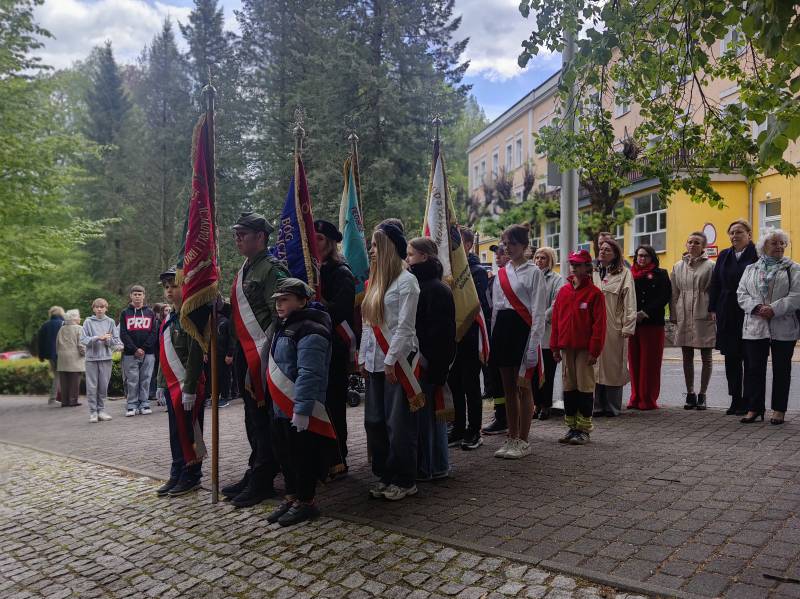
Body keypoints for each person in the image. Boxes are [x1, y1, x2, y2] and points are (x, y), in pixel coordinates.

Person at [223, 212, 289, 508]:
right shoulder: (246, 269)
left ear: (260, 237)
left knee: (263, 417)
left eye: (243, 234)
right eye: (236, 234)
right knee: (251, 415)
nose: (237, 239)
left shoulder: (272, 268)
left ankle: (263, 478)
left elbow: (279, 315)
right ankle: (255, 469)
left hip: (263, 353)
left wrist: (265, 356)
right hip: (244, 351)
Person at [265, 278, 338, 526]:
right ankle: (292, 496)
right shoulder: (284, 325)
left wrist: (302, 409)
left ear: (302, 301)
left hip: (299, 405)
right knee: (285, 455)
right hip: (281, 405)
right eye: (277, 300)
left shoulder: (311, 329)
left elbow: (310, 373)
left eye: (285, 299)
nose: (279, 304)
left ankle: (306, 502)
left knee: (302, 457)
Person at [360, 222, 421, 500]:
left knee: (398, 425)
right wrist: (363, 356)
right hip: (374, 362)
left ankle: (405, 479)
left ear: (390, 247)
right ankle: (384, 474)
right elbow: (368, 324)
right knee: (374, 422)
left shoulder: (407, 282)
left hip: (396, 363)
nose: (371, 251)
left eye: (376, 245)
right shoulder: (375, 282)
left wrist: (390, 360)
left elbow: (405, 327)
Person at [490, 224, 546, 459]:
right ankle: (511, 436)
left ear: (524, 245)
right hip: (503, 329)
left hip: (522, 328)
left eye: (512, 243)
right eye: (505, 244)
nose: (508, 248)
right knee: (508, 388)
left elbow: (538, 311)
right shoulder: (501, 272)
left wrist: (533, 344)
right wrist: (492, 337)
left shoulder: (534, 273)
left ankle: (523, 439)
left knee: (523, 386)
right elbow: (495, 308)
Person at [737, 229, 800, 425]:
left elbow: (797, 295)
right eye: (774, 243)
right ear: (763, 246)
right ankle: (754, 408)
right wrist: (757, 307)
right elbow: (741, 293)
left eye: (782, 243)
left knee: (782, 369)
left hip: (784, 325)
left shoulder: (793, 268)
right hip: (755, 326)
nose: (779, 246)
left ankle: (779, 410)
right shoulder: (751, 269)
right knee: (754, 369)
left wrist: (774, 309)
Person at [407, 237, 456, 480]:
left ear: (424, 256)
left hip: (428, 361)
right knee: (425, 416)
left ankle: (432, 465)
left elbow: (441, 333)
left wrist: (436, 367)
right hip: (421, 359)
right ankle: (431, 463)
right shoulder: (420, 285)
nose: (407, 259)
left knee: (429, 416)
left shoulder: (436, 289)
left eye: (411, 254)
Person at [155, 267, 206, 497]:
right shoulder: (169, 318)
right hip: (171, 385)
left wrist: (191, 387)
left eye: (174, 286)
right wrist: (160, 383)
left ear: (185, 287)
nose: (169, 291)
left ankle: (192, 473)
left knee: (192, 430)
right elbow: (163, 354)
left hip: (188, 384)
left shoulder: (190, 316)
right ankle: (177, 470)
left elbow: (195, 353)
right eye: (166, 287)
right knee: (176, 432)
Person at [550, 250, 607, 444]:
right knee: (569, 387)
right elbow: (556, 320)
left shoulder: (595, 294)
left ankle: (583, 429)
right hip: (567, 348)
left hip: (584, 350)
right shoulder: (564, 292)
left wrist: (594, 350)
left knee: (585, 388)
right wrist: (555, 347)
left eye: (578, 264)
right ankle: (572, 427)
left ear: (587, 267)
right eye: (572, 264)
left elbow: (599, 325)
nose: (573, 267)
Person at [315, 219, 356, 475]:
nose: (315, 242)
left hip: (335, 345)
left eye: (319, 238)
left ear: (330, 243)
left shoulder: (341, 273)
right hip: (314, 346)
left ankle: (338, 457)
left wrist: (315, 300)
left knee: (334, 403)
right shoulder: (311, 269)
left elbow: (340, 311)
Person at [709, 219, 758, 415]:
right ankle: (735, 398)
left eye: (739, 232)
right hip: (727, 310)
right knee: (731, 358)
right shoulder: (724, 255)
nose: (735, 236)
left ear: (749, 234)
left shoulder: (757, 254)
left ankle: (749, 400)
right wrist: (713, 308)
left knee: (749, 358)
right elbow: (715, 282)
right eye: (732, 233)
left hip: (749, 311)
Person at [448, 227, 489, 450]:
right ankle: (458, 427)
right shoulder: (447, 270)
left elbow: (477, 306)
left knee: (470, 384)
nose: (452, 247)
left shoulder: (476, 271)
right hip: (452, 336)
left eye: (457, 242)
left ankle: (474, 430)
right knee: (454, 382)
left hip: (470, 335)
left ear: (468, 245)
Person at [670, 232, 716, 410]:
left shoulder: (711, 266)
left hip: (703, 311)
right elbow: (674, 293)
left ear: (703, 246)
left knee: (706, 356)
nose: (692, 245)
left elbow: (715, 291)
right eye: (689, 242)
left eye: (697, 242)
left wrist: (714, 311)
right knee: (686, 355)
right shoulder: (677, 266)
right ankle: (690, 393)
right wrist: (674, 314)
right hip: (684, 312)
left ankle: (703, 394)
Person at [593, 239, 636, 416]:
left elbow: (630, 301)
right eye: (601, 249)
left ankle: (612, 406)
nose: (602, 252)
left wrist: (628, 326)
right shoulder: (593, 272)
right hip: (594, 326)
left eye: (607, 250)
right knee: (594, 364)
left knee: (613, 366)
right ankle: (596, 406)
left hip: (614, 326)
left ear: (616, 254)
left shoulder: (624, 273)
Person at [628, 245, 672, 410]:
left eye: (645, 256)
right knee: (634, 362)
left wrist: (645, 312)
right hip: (633, 323)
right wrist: (632, 314)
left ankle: (647, 399)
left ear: (652, 257)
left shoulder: (661, 274)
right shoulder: (629, 274)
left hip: (652, 323)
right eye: (639, 255)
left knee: (650, 363)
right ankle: (635, 397)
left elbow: (664, 296)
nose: (642, 258)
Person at [532, 246, 565, 420]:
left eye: (543, 258)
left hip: (547, 332)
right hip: (531, 332)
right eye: (537, 257)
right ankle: (536, 404)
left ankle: (546, 405)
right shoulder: (531, 277)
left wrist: (541, 318)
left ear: (550, 260)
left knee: (548, 372)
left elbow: (556, 303)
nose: (539, 261)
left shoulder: (556, 279)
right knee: (533, 372)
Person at [119, 285, 158, 417]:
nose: (137, 296)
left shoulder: (150, 313)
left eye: (139, 294)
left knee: (146, 379)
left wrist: (143, 348)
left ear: (143, 296)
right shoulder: (125, 313)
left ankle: (144, 404)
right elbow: (123, 333)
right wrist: (135, 349)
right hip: (130, 353)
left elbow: (154, 332)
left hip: (148, 353)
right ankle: (131, 405)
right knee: (132, 380)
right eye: (135, 294)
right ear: (131, 296)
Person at [481, 243, 508, 435]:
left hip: (508, 334)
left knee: (510, 380)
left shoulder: (516, 278)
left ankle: (509, 417)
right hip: (493, 332)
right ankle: (501, 415)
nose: (497, 256)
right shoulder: (493, 278)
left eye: (501, 253)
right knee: (496, 378)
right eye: (496, 254)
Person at [81, 298, 121, 422]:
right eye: (97, 307)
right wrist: (98, 338)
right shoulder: (88, 322)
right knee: (92, 386)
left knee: (103, 386)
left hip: (106, 358)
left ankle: (101, 411)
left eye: (102, 307)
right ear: (93, 308)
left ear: (106, 309)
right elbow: (83, 339)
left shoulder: (110, 322)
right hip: (91, 359)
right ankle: (93, 412)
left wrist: (107, 340)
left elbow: (115, 341)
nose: (99, 309)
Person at [56, 310, 85, 408]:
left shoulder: (61, 329)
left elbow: (57, 343)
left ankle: (64, 401)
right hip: (74, 358)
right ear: (75, 319)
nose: (80, 319)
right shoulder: (79, 328)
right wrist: (85, 354)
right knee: (74, 380)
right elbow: (81, 345)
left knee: (64, 381)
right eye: (79, 317)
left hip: (62, 357)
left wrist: (59, 354)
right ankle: (73, 400)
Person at [38, 306, 65, 405]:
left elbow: (40, 342)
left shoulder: (45, 325)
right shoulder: (63, 324)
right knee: (60, 375)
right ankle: (54, 398)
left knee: (57, 375)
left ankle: (60, 397)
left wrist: (41, 356)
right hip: (62, 353)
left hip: (50, 355)